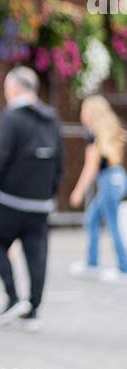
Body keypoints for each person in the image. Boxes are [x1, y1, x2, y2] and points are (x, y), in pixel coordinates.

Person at [0, 66, 63, 329]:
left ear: (15, 88)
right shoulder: (51, 118)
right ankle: (33, 311)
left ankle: (13, 297)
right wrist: (50, 193)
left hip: (9, 200)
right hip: (40, 203)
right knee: (36, 253)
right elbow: (60, 162)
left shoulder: (9, 117)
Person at [69, 94, 127, 282]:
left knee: (112, 224)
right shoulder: (112, 130)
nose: (81, 114)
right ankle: (92, 263)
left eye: (84, 110)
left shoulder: (94, 134)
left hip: (108, 181)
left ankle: (123, 266)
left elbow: (91, 167)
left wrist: (78, 190)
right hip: (118, 178)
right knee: (92, 219)